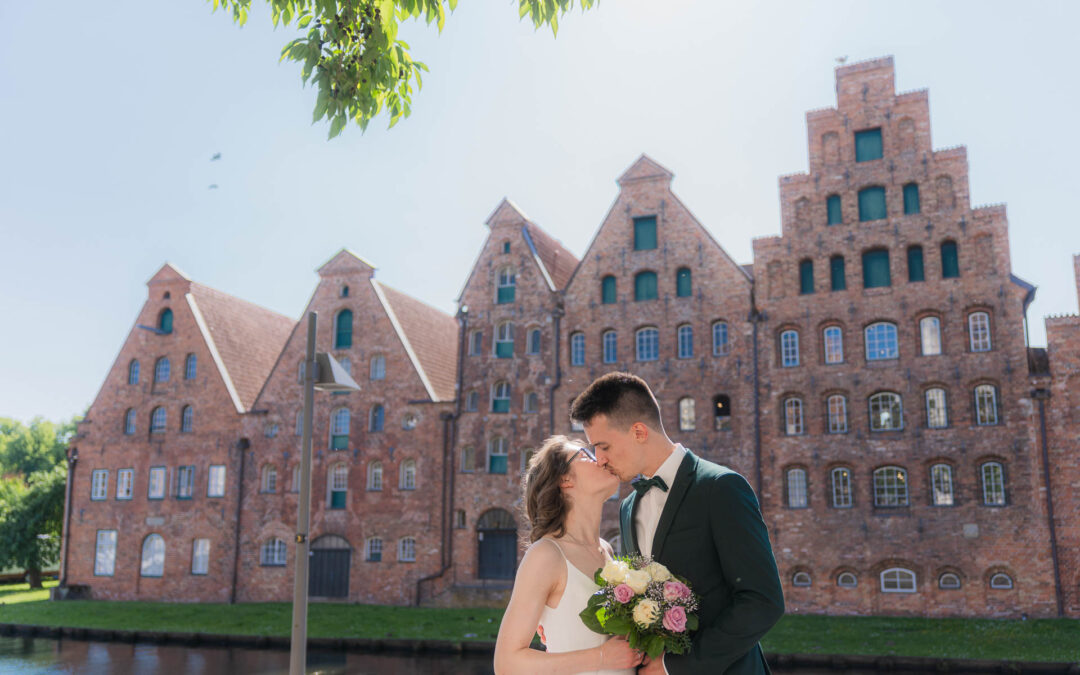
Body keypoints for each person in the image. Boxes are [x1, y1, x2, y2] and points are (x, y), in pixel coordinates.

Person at [569, 372, 785, 675]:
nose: (599, 459)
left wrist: (677, 667)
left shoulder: (721, 488)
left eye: (603, 446)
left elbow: (763, 601)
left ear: (639, 432)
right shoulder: (628, 508)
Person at [494, 436, 645, 674]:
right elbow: (506, 663)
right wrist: (602, 657)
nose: (602, 459)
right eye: (587, 455)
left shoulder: (606, 550)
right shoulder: (546, 555)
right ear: (564, 479)